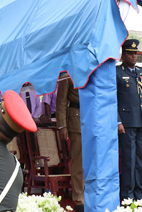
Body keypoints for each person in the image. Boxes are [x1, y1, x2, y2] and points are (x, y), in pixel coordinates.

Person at [116, 39, 142, 202]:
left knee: (141, 160)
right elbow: (113, 99)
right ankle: (128, 195)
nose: (134, 56)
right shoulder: (117, 72)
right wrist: (118, 121)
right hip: (127, 123)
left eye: (135, 53)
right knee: (129, 160)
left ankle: (140, 196)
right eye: (130, 53)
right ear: (123, 55)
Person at [56, 74, 84, 212]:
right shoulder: (68, 75)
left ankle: (94, 196)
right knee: (78, 163)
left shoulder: (95, 70)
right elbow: (61, 101)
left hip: (95, 119)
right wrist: (62, 125)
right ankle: (79, 199)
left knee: (96, 162)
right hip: (76, 119)